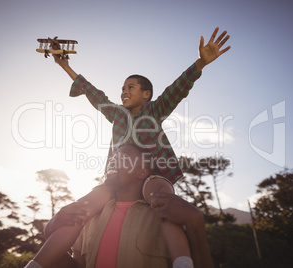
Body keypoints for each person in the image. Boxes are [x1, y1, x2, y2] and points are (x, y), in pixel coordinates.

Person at [28, 27, 230, 267]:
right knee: (85, 207)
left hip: (153, 172)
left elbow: (178, 88)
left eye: (130, 87)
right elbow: (94, 93)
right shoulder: (117, 114)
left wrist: (200, 64)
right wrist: (65, 66)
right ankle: (35, 264)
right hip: (117, 179)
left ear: (146, 94)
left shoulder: (155, 109)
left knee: (162, 201)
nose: (124, 91)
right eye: (122, 88)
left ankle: (183, 263)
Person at [26, 144, 214, 268]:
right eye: (114, 156)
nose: (114, 159)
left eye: (124, 156)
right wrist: (50, 231)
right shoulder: (89, 218)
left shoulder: (165, 216)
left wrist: (195, 224)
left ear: (142, 172)